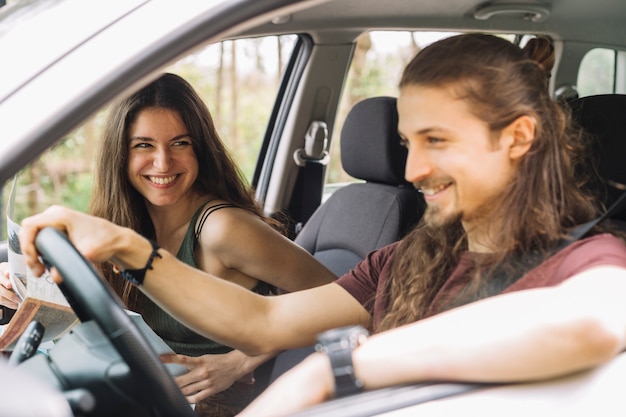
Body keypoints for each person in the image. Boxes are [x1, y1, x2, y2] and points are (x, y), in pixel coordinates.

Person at [16, 33, 626, 417]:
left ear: (518, 137)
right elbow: (265, 320)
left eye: (436, 141)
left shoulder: (586, 260)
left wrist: (338, 367)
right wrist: (128, 248)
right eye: (407, 143)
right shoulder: (408, 259)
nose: (413, 169)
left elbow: (600, 319)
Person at [1, 73, 337, 417]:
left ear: (200, 149)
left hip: (221, 404)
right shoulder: (124, 224)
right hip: (145, 390)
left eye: (180, 143)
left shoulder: (223, 229)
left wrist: (237, 363)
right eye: (144, 145)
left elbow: (342, 297)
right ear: (121, 153)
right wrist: (22, 284)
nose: (163, 163)